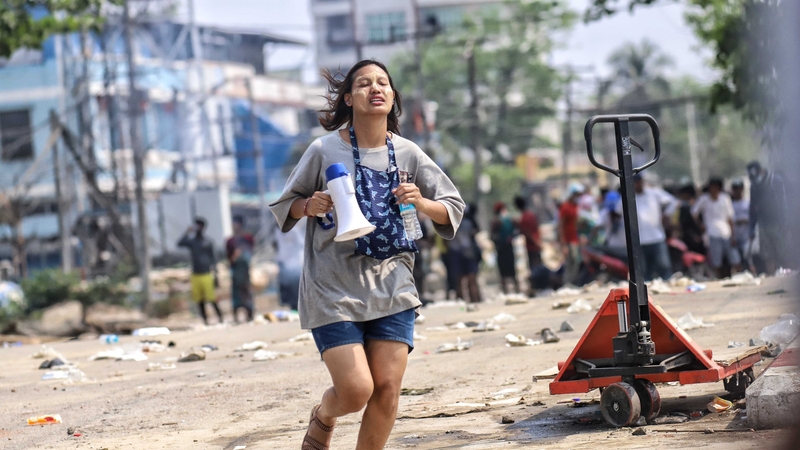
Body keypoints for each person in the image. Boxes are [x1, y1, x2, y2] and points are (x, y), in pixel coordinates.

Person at [269, 60, 464, 450]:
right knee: (357, 390)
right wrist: (309, 205)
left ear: (392, 97)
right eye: (363, 84)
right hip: (332, 287)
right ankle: (324, 415)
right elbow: (284, 205)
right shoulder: (324, 149)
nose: (375, 89)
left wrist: (422, 202)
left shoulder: (408, 152)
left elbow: (452, 207)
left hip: (393, 285)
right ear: (348, 98)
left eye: (383, 83)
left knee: (388, 390)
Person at [618, 174, 677, 281]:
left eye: (639, 181)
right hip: (638, 239)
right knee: (643, 269)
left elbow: (673, 201)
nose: (637, 184)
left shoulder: (653, 193)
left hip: (656, 236)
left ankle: (668, 283)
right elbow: (618, 211)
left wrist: (666, 214)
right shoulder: (628, 196)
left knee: (663, 265)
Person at [692, 178, 740, 278]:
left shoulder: (725, 198)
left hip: (726, 232)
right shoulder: (704, 199)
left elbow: (730, 217)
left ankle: (737, 277)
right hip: (712, 232)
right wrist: (701, 225)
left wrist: (733, 234)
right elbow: (694, 212)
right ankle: (718, 279)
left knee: (734, 258)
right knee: (716, 261)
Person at [178, 217, 223, 325]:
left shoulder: (208, 242)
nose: (197, 227)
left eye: (198, 225)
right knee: (200, 300)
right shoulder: (192, 242)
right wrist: (187, 232)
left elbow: (214, 259)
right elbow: (180, 243)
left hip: (206, 274)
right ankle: (205, 320)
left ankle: (220, 318)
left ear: (203, 227)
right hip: (195, 274)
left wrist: (216, 275)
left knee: (211, 298)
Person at [748, 161, 791, 273]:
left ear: (761, 171)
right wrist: (751, 228)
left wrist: (785, 223)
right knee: (767, 255)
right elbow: (753, 208)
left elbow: (784, 203)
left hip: (778, 223)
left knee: (784, 252)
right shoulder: (754, 186)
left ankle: (789, 275)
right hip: (763, 224)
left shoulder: (775, 181)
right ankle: (772, 279)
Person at [447, 204, 482, 303]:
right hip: (463, 252)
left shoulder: (454, 223)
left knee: (464, 280)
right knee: (467, 280)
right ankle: (471, 301)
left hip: (461, 252)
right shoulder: (466, 223)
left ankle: (466, 302)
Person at [273, 217, 306, 311]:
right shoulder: (277, 232)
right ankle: (289, 305)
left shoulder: (294, 231)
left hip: (294, 263)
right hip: (283, 263)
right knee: (285, 285)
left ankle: (297, 306)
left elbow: (301, 245)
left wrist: (300, 260)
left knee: (295, 285)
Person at [226, 215, 255, 323]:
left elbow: (251, 252)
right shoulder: (230, 241)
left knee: (247, 293)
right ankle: (236, 317)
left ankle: (250, 315)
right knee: (235, 294)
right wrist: (234, 256)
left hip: (245, 271)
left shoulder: (247, 238)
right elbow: (229, 257)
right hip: (235, 271)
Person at [490, 202, 519, 294]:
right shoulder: (510, 219)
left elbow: (492, 236)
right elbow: (516, 231)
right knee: (512, 269)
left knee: (503, 271)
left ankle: (505, 290)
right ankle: (516, 289)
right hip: (508, 247)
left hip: (501, 249)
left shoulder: (496, 221)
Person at [558, 183, 583, 286]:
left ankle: (572, 283)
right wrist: (563, 244)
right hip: (568, 240)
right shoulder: (565, 207)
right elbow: (561, 226)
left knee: (576, 262)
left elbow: (576, 224)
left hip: (574, 239)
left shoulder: (575, 206)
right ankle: (567, 283)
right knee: (569, 263)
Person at [513, 195, 542, 277]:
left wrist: (535, 242)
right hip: (536, 243)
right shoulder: (531, 215)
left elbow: (527, 233)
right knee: (538, 265)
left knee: (535, 267)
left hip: (532, 246)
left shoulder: (524, 219)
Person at [677, 184, 706, 255]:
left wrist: (693, 235)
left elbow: (684, 224)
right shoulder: (700, 204)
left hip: (690, 237)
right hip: (701, 235)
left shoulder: (685, 207)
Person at [730, 179, 752, 272]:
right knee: (736, 260)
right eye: (735, 188)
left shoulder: (747, 203)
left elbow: (752, 217)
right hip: (734, 235)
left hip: (746, 235)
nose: (737, 191)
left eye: (738, 188)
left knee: (748, 258)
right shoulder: (730, 204)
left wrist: (744, 220)